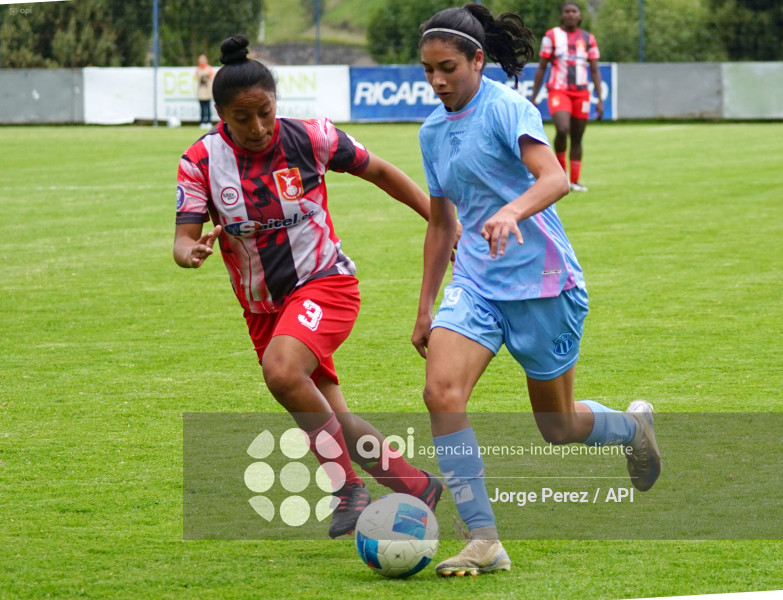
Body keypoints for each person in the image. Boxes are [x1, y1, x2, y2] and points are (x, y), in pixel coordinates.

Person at [414, 4, 660, 577]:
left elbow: (555, 178)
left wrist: (511, 211)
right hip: (476, 282)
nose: (438, 81)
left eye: (448, 68)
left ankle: (633, 428)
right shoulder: (431, 132)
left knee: (558, 427)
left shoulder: (506, 107)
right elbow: (441, 223)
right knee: (441, 393)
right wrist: (425, 307)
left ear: (478, 60)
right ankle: (483, 539)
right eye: (428, 70)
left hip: (544, 284)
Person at [174, 34, 444, 539]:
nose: (257, 127)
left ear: (276, 102)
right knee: (332, 414)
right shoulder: (201, 161)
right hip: (264, 309)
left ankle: (347, 489)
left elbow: (382, 172)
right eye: (242, 118)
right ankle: (416, 484)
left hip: (326, 283)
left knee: (281, 371)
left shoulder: (312, 137)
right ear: (221, 115)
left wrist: (441, 224)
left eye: (265, 112)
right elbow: (182, 238)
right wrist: (189, 251)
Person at [530, 2, 603, 192]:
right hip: (558, 90)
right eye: (567, 12)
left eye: (574, 11)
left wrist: (600, 100)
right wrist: (533, 96)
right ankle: (561, 177)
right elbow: (542, 67)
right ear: (562, 16)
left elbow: (594, 70)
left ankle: (575, 182)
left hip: (581, 93)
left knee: (577, 137)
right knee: (562, 129)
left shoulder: (588, 38)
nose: (571, 14)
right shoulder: (551, 36)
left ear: (579, 16)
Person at [195, 54, 214, 129]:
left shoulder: (209, 69)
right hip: (201, 91)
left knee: (208, 107)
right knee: (202, 108)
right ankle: (202, 122)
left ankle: (209, 121)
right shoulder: (197, 70)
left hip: (207, 91)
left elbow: (211, 79)